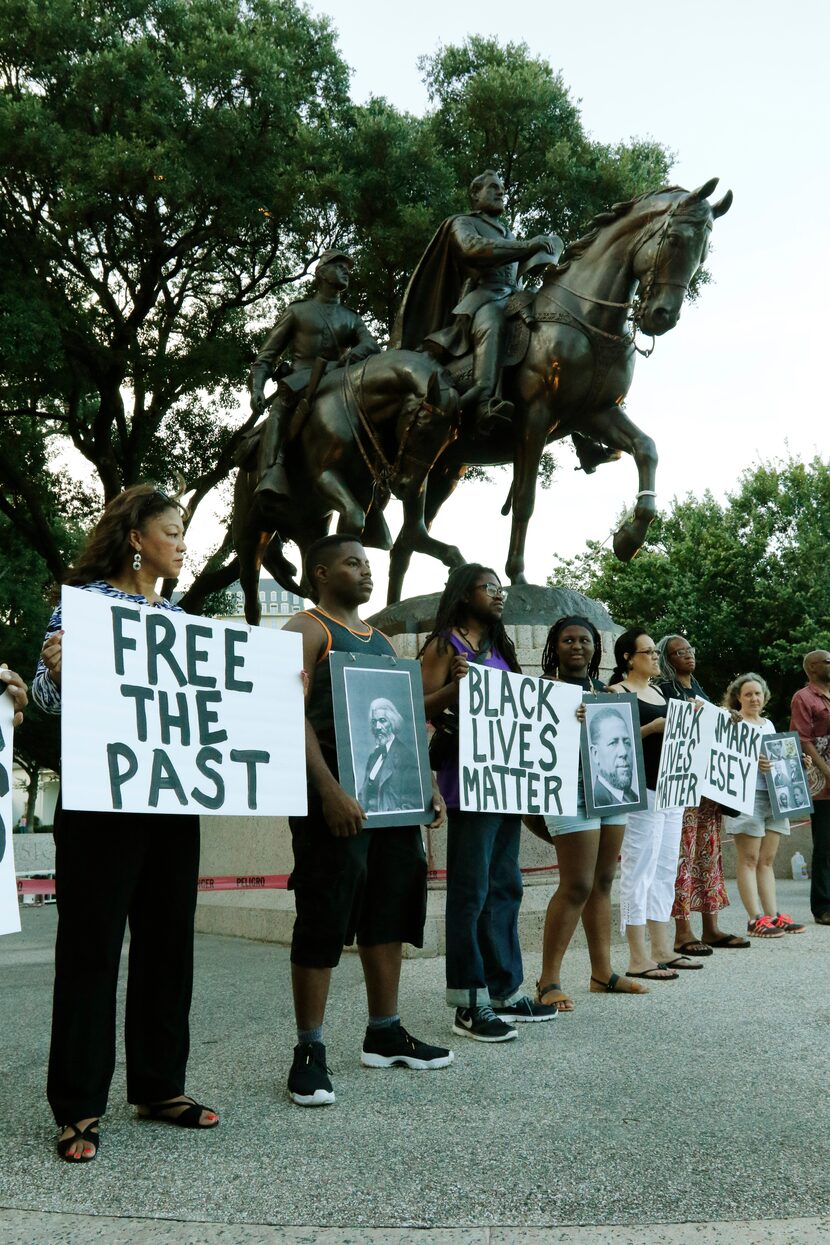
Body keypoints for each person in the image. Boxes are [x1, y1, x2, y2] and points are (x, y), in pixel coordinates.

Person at [31, 485, 218, 1163]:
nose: (181, 543)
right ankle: (77, 1104)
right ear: (136, 538)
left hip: (170, 801)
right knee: (91, 946)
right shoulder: (85, 608)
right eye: (171, 531)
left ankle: (159, 1085)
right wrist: (57, 668)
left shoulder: (182, 621)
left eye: (183, 533)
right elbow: (47, 700)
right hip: (101, 803)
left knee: (169, 942)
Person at [282, 535, 451, 1107]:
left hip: (388, 806)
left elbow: (401, 720)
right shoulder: (306, 630)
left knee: (390, 911)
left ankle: (385, 1031)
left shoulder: (379, 641)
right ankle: (309, 1049)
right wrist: (327, 789)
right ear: (321, 570)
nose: (365, 571)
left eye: (368, 563)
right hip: (330, 803)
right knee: (324, 914)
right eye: (353, 562)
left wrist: (423, 781)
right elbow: (287, 712)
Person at [420, 564, 558, 1040]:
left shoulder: (499, 647)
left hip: (505, 783)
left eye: (502, 589)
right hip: (466, 781)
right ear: (464, 595)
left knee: (505, 886)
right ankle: (469, 1001)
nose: (500, 596)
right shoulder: (444, 645)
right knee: (470, 890)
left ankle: (504, 991)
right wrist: (456, 688)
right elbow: (416, 705)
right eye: (490, 588)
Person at [524, 616, 647, 1012]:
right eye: (568, 640)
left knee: (604, 880)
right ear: (554, 647)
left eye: (585, 640)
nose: (577, 646)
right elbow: (530, 741)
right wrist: (562, 719)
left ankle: (602, 973)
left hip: (609, 788)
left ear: (595, 647)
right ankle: (548, 980)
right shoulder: (544, 689)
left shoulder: (606, 691)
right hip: (568, 790)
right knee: (576, 883)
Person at [396, 170, 562, 435]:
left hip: (514, 296)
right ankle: (485, 400)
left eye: (503, 189)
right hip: (483, 300)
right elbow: (472, 248)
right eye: (493, 187)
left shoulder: (508, 232)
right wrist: (527, 246)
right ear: (475, 194)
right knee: (492, 323)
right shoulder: (461, 223)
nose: (501, 192)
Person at [248, 250, 380, 503]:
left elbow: (371, 345)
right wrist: (257, 389)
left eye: (348, 268)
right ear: (320, 273)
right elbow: (267, 355)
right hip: (299, 381)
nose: (346, 271)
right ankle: (270, 474)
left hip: (338, 380)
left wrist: (344, 361)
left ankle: (375, 485)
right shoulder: (298, 311)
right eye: (338, 266)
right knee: (278, 412)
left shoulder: (352, 318)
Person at [608, 629, 697, 980]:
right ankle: (636, 955)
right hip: (640, 788)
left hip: (670, 787)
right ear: (629, 657)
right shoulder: (616, 692)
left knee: (664, 868)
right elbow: (611, 739)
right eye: (649, 652)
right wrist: (651, 728)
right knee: (638, 867)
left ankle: (661, 948)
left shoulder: (661, 691)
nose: (655, 657)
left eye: (656, 653)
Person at [655, 635, 748, 953]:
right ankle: (683, 932)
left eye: (690, 650)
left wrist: (728, 718)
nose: (687, 655)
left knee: (709, 857)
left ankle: (711, 928)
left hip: (709, 789)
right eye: (678, 652)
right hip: (683, 789)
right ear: (667, 659)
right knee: (683, 858)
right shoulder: (665, 691)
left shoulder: (699, 688)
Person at [726, 672, 806, 937]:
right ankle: (754, 919)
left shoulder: (769, 724)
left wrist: (797, 764)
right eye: (748, 694)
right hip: (747, 797)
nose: (754, 698)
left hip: (775, 797)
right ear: (737, 697)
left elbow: (779, 758)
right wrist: (752, 763)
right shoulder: (732, 724)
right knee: (748, 859)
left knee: (767, 860)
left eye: (758, 693)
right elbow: (725, 761)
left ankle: (772, 915)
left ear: (765, 696)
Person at [790, 650, 830, 924]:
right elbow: (803, 738)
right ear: (813, 667)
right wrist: (827, 772)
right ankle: (823, 907)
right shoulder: (802, 698)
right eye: (828, 660)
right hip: (823, 781)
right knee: (825, 845)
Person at [358, 698, 423, 814]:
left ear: (392, 722)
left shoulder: (406, 756)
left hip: (390, 827)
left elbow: (413, 804)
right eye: (374, 722)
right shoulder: (373, 757)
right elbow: (363, 796)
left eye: (382, 721)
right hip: (367, 826)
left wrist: (384, 818)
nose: (377, 727)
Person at [589, 708, 639, 805]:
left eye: (627, 742)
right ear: (595, 754)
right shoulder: (595, 802)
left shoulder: (635, 799)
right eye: (613, 743)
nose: (623, 752)